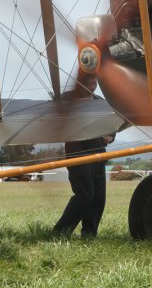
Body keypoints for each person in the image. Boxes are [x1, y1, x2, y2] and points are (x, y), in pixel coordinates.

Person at [53, 73, 115, 238]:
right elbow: (57, 106)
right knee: (85, 194)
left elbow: (111, 124)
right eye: (88, 80)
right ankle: (60, 232)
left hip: (98, 154)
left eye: (94, 80)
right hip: (77, 153)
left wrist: (110, 136)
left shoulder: (99, 101)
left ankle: (89, 234)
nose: (92, 84)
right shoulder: (67, 98)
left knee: (98, 197)